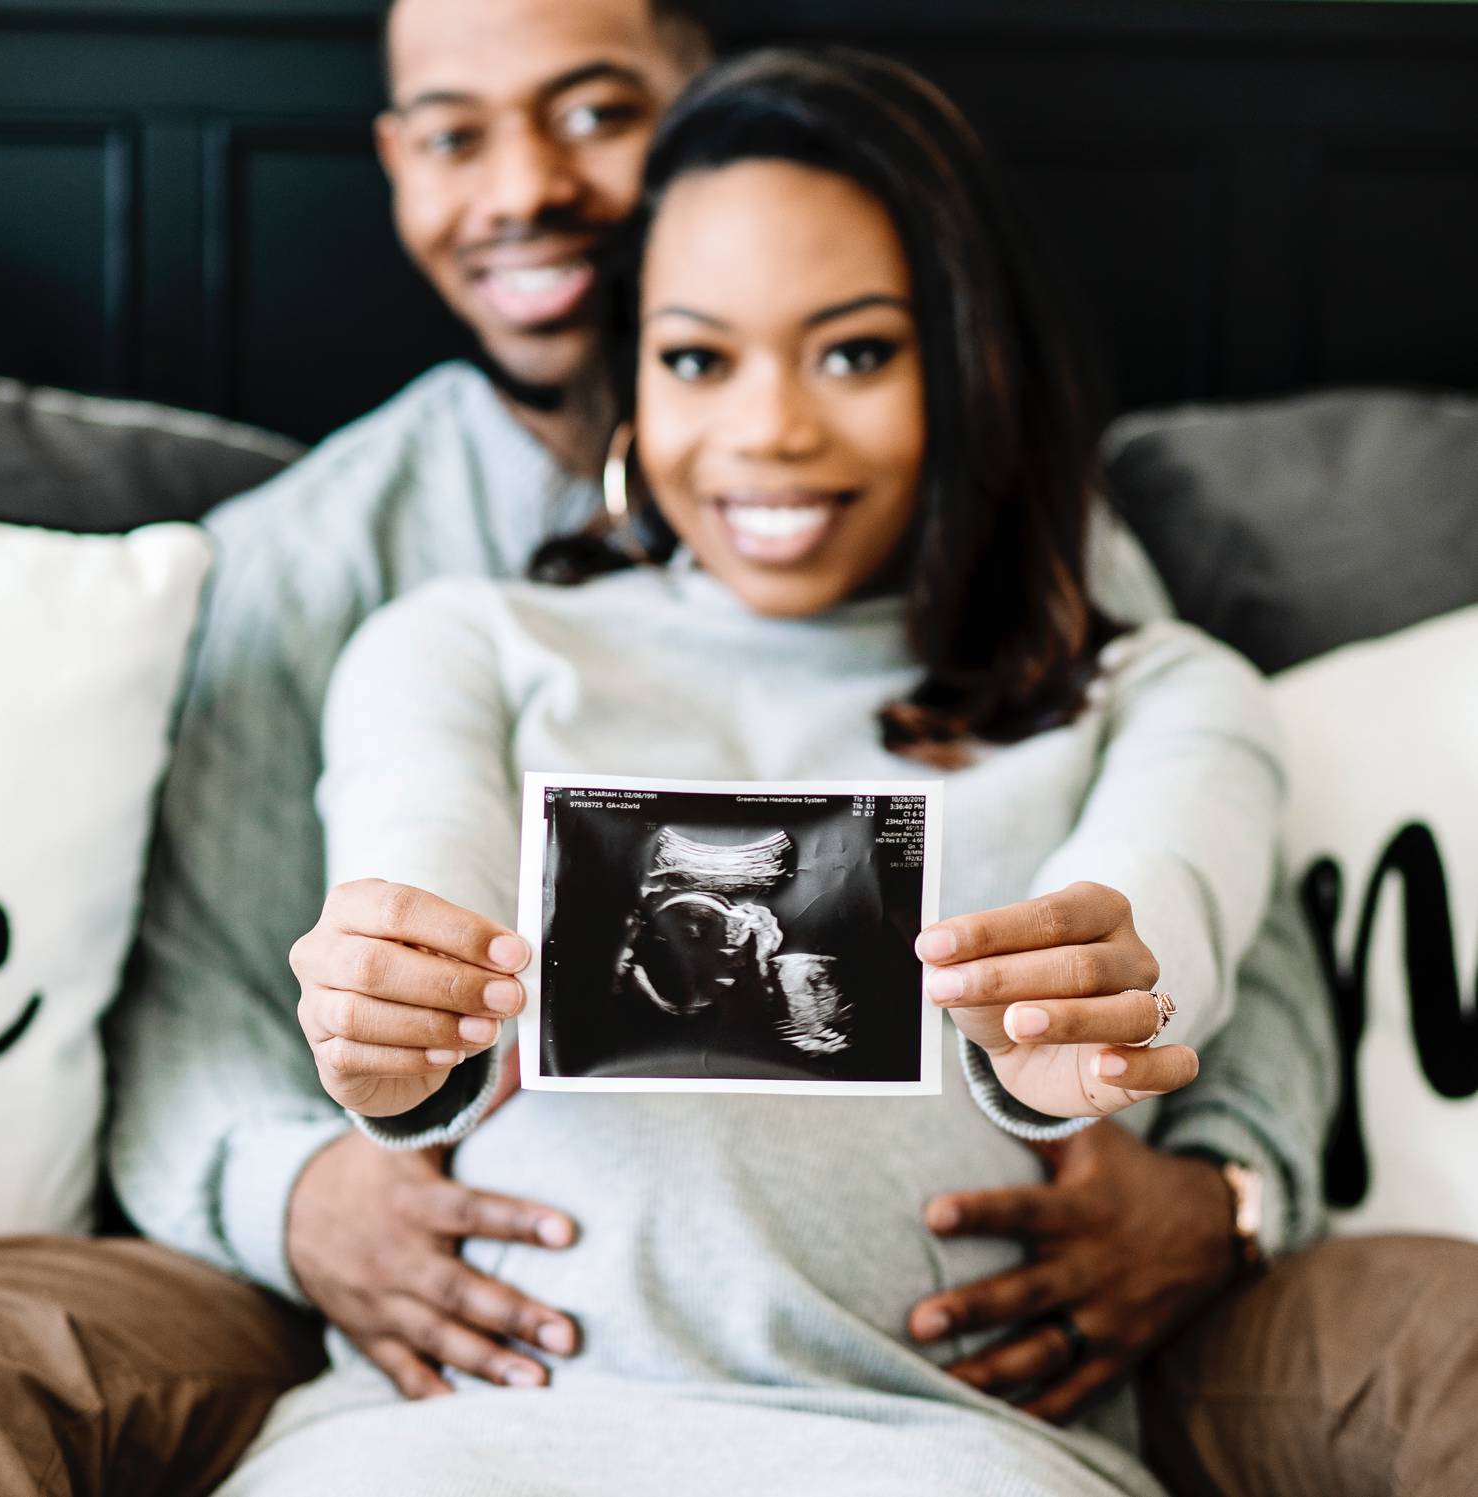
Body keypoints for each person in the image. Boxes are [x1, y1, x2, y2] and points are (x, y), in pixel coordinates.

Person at [232, 48, 1286, 1495]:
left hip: (947, 1450)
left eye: (855, 350)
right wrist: (397, 1032)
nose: (770, 430)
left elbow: (1174, 901)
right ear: (630, 378)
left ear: (972, 359)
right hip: (450, 1438)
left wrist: (1082, 1019)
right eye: (695, 358)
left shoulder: (1163, 693)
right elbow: (419, 856)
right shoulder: (456, 643)